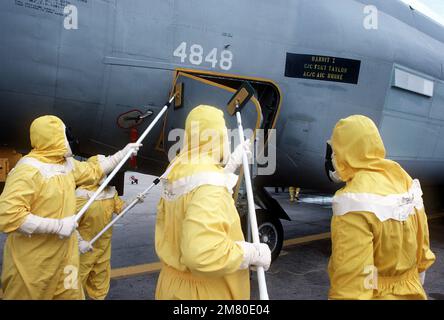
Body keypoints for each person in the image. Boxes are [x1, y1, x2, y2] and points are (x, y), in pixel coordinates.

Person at [0, 115, 140, 299]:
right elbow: (8, 216)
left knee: (72, 294)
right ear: (53, 137)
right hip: (34, 265)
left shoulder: (66, 165)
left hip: (67, 260)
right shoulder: (27, 170)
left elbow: (93, 170)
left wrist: (122, 154)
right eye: (65, 134)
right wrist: (56, 226)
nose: (70, 140)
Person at [155, 105, 271, 300]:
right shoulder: (209, 183)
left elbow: (196, 197)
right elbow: (202, 254)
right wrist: (251, 253)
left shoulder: (178, 168)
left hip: (172, 287)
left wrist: (231, 165)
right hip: (202, 293)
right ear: (217, 136)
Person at [326, 115, 436, 300]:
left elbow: (355, 282)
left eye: (336, 151)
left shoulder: (352, 201)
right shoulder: (403, 179)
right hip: (413, 289)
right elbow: (422, 242)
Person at [75, 156, 125, 300]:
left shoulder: (110, 192)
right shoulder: (81, 196)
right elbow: (69, 224)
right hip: (83, 249)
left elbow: (120, 208)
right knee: (75, 282)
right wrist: (79, 242)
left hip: (103, 248)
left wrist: (133, 202)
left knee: (101, 281)